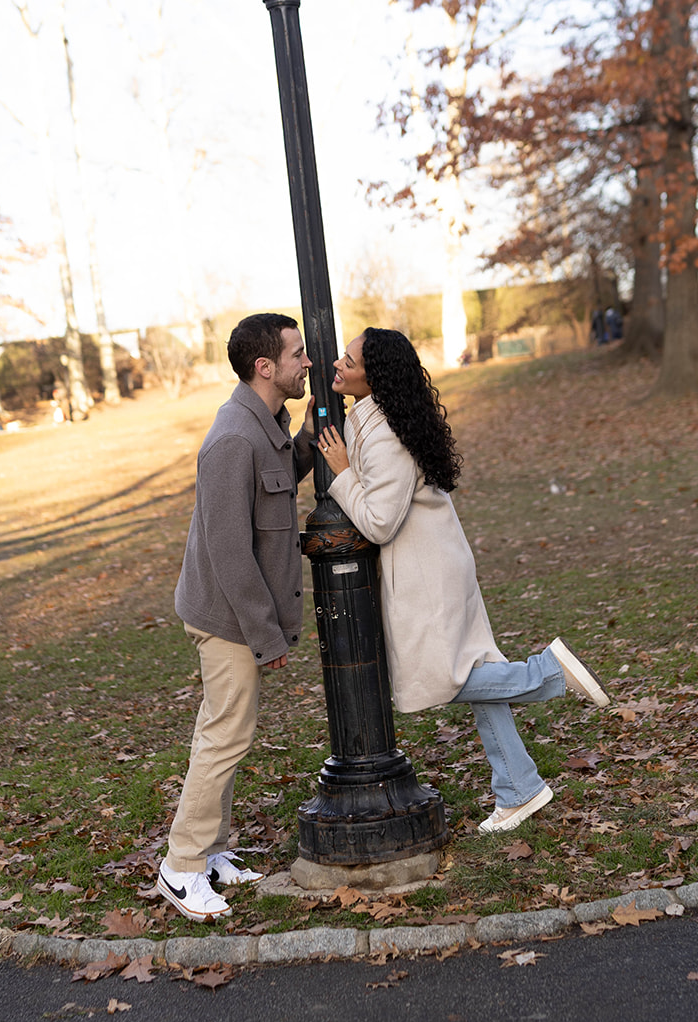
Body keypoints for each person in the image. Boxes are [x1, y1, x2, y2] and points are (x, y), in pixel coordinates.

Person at [317, 327, 609, 834]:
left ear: (375, 376)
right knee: (473, 677)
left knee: (445, 680)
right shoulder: (377, 418)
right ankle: (519, 788)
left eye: (349, 360)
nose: (338, 365)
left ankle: (548, 673)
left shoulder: (384, 433)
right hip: (436, 564)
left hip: (426, 577)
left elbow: (380, 522)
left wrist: (341, 473)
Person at [157, 312, 314, 920]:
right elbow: (228, 551)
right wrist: (264, 633)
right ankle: (182, 866)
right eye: (297, 355)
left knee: (218, 731)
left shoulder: (265, 425)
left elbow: (274, 485)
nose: (307, 363)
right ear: (265, 367)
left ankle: (213, 850)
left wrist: (311, 439)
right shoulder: (231, 439)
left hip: (233, 614)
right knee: (227, 735)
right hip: (225, 616)